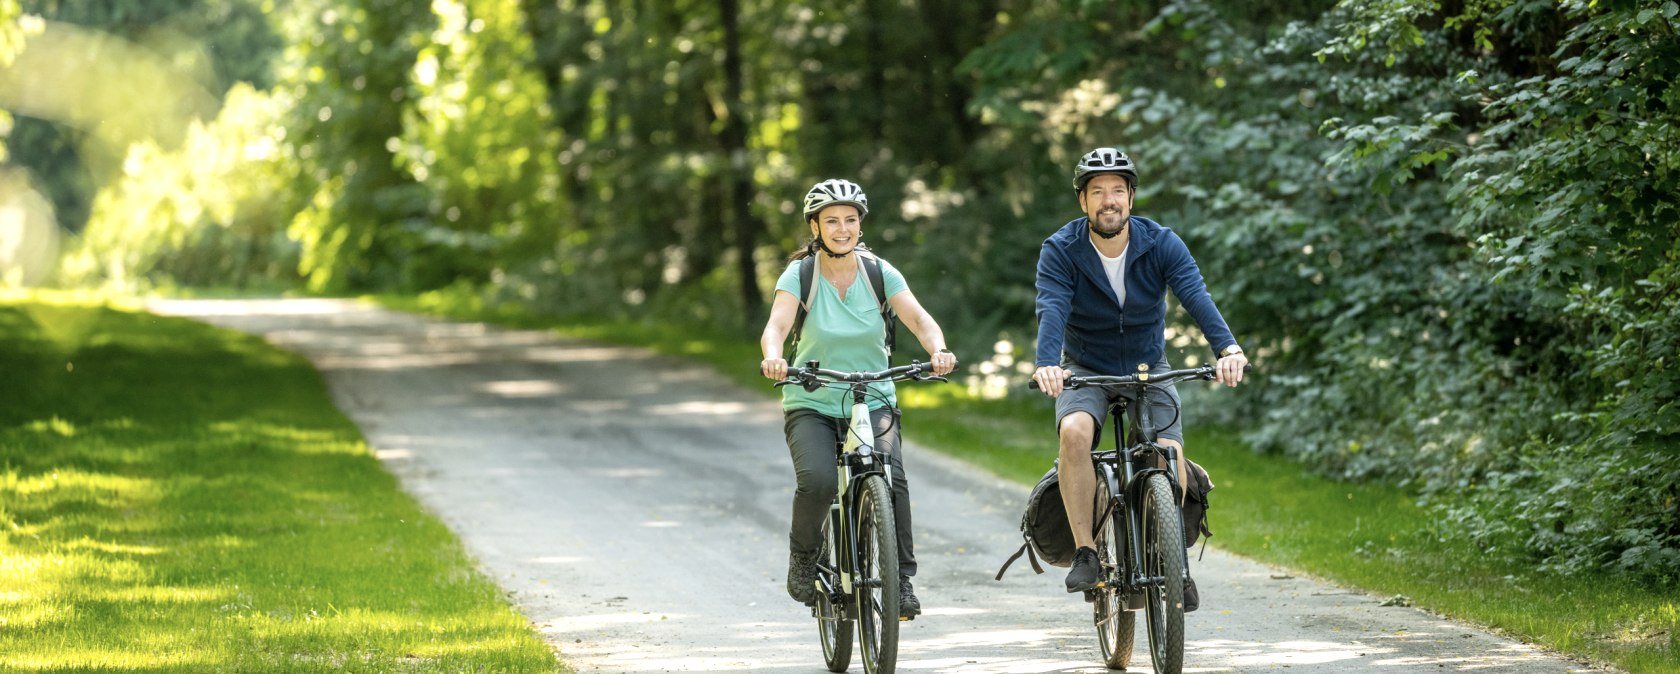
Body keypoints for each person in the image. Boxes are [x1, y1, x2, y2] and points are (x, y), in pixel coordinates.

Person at [1029, 147, 1249, 608]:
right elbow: (1051, 306)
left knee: (1167, 455)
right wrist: (1048, 361)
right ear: (1083, 202)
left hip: (1148, 368)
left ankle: (1172, 564)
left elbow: (1195, 294)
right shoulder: (1061, 249)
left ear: (1130, 196)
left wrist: (1227, 347)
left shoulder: (1161, 242)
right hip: (1085, 368)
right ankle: (1087, 551)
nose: (1108, 200)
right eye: (1097, 192)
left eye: (1116, 190)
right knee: (1074, 434)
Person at [760, 178, 958, 620]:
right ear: (815, 226)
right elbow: (776, 325)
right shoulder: (801, 273)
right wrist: (774, 357)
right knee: (819, 482)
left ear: (860, 226)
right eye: (832, 221)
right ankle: (804, 558)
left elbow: (918, 318)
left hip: (872, 397)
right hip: (811, 398)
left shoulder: (879, 271)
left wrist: (937, 350)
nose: (842, 228)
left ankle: (900, 580)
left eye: (850, 220)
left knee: (892, 477)